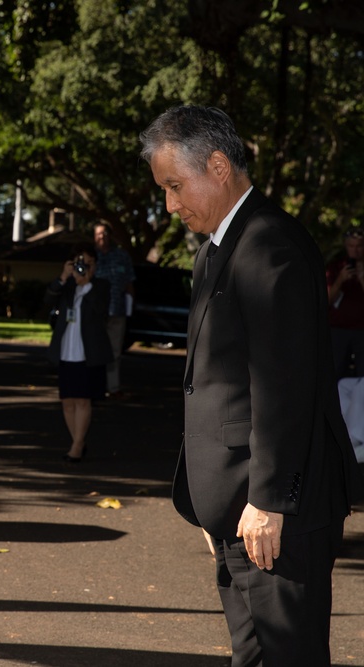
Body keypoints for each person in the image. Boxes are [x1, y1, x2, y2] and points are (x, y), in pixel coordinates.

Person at [140, 104, 364, 666]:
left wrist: (266, 502)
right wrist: (217, 500)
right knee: (256, 655)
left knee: (287, 656)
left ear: (218, 166)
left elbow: (284, 387)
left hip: (275, 510)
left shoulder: (268, 245)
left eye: (174, 185)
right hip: (237, 508)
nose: (169, 205)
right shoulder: (221, 247)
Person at [44, 244, 113, 462]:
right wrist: (64, 276)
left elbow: (102, 312)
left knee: (83, 400)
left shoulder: (101, 286)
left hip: (88, 352)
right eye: (79, 263)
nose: (83, 268)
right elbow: (47, 300)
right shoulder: (67, 286)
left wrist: (87, 284)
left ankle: (76, 446)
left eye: (88, 264)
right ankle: (78, 442)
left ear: (95, 266)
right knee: (67, 400)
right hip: (66, 349)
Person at [92, 222, 135, 397]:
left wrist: (130, 306)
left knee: (114, 352)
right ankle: (94, 386)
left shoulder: (121, 255)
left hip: (117, 310)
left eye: (105, 233)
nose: (102, 237)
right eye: (99, 234)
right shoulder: (90, 257)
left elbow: (129, 282)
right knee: (94, 350)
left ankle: (113, 387)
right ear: (94, 237)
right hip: (94, 313)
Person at [326, 227, 364, 378]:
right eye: (351, 246)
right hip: (338, 331)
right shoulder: (335, 268)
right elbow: (327, 300)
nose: (356, 250)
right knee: (334, 373)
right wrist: (340, 280)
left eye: (360, 246)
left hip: (362, 331)